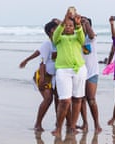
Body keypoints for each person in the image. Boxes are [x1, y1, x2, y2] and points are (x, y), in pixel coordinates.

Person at [51, 9, 86, 137]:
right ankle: (58, 127)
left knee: (77, 99)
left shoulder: (77, 36)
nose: (68, 27)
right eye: (66, 25)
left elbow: (82, 38)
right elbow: (55, 36)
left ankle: (72, 126)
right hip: (63, 70)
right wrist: (65, 18)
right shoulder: (59, 38)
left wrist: (78, 25)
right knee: (65, 100)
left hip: (79, 69)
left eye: (70, 25)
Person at [19, 20, 59, 131]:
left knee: (58, 99)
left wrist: (26, 60)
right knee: (48, 99)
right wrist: (41, 78)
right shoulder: (48, 44)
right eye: (58, 27)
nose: (61, 29)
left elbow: (38, 51)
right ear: (52, 31)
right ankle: (38, 124)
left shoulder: (60, 42)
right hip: (43, 75)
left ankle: (58, 122)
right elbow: (42, 62)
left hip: (55, 76)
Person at [76, 17, 102, 133]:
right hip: (80, 72)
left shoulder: (91, 38)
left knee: (91, 99)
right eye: (81, 24)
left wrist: (86, 23)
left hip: (92, 72)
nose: (82, 26)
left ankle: (97, 124)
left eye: (84, 24)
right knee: (81, 99)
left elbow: (91, 35)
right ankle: (85, 123)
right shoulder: (77, 38)